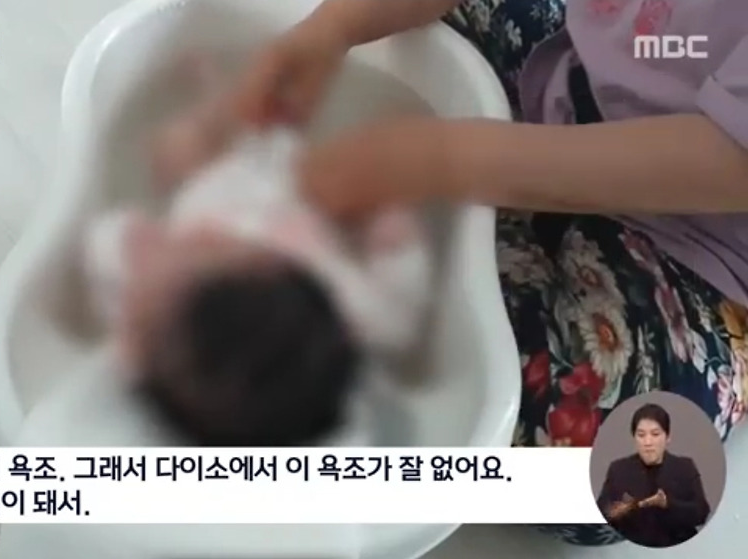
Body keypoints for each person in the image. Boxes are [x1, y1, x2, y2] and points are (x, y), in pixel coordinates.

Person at [230, 0, 747, 545]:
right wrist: (333, 28)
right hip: (585, 64)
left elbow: (726, 161)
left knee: (606, 479)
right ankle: (486, 230)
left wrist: (439, 161)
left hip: (699, 255)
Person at [80, 57, 433, 446]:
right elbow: (398, 293)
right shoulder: (354, 308)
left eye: (186, 246)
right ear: (285, 267)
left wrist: (130, 241)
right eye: (206, 244)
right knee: (336, 149)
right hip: (302, 186)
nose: (204, 234)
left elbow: (110, 242)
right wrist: (391, 216)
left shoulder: (143, 307)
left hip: (212, 181)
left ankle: (215, 98)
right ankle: (228, 99)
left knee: (178, 151)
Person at [597, 403, 711, 547]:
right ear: (634, 438)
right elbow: (601, 513)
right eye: (641, 435)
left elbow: (701, 513)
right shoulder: (618, 469)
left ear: (667, 437)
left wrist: (667, 504)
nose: (648, 442)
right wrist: (617, 511)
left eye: (655, 434)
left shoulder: (684, 466)